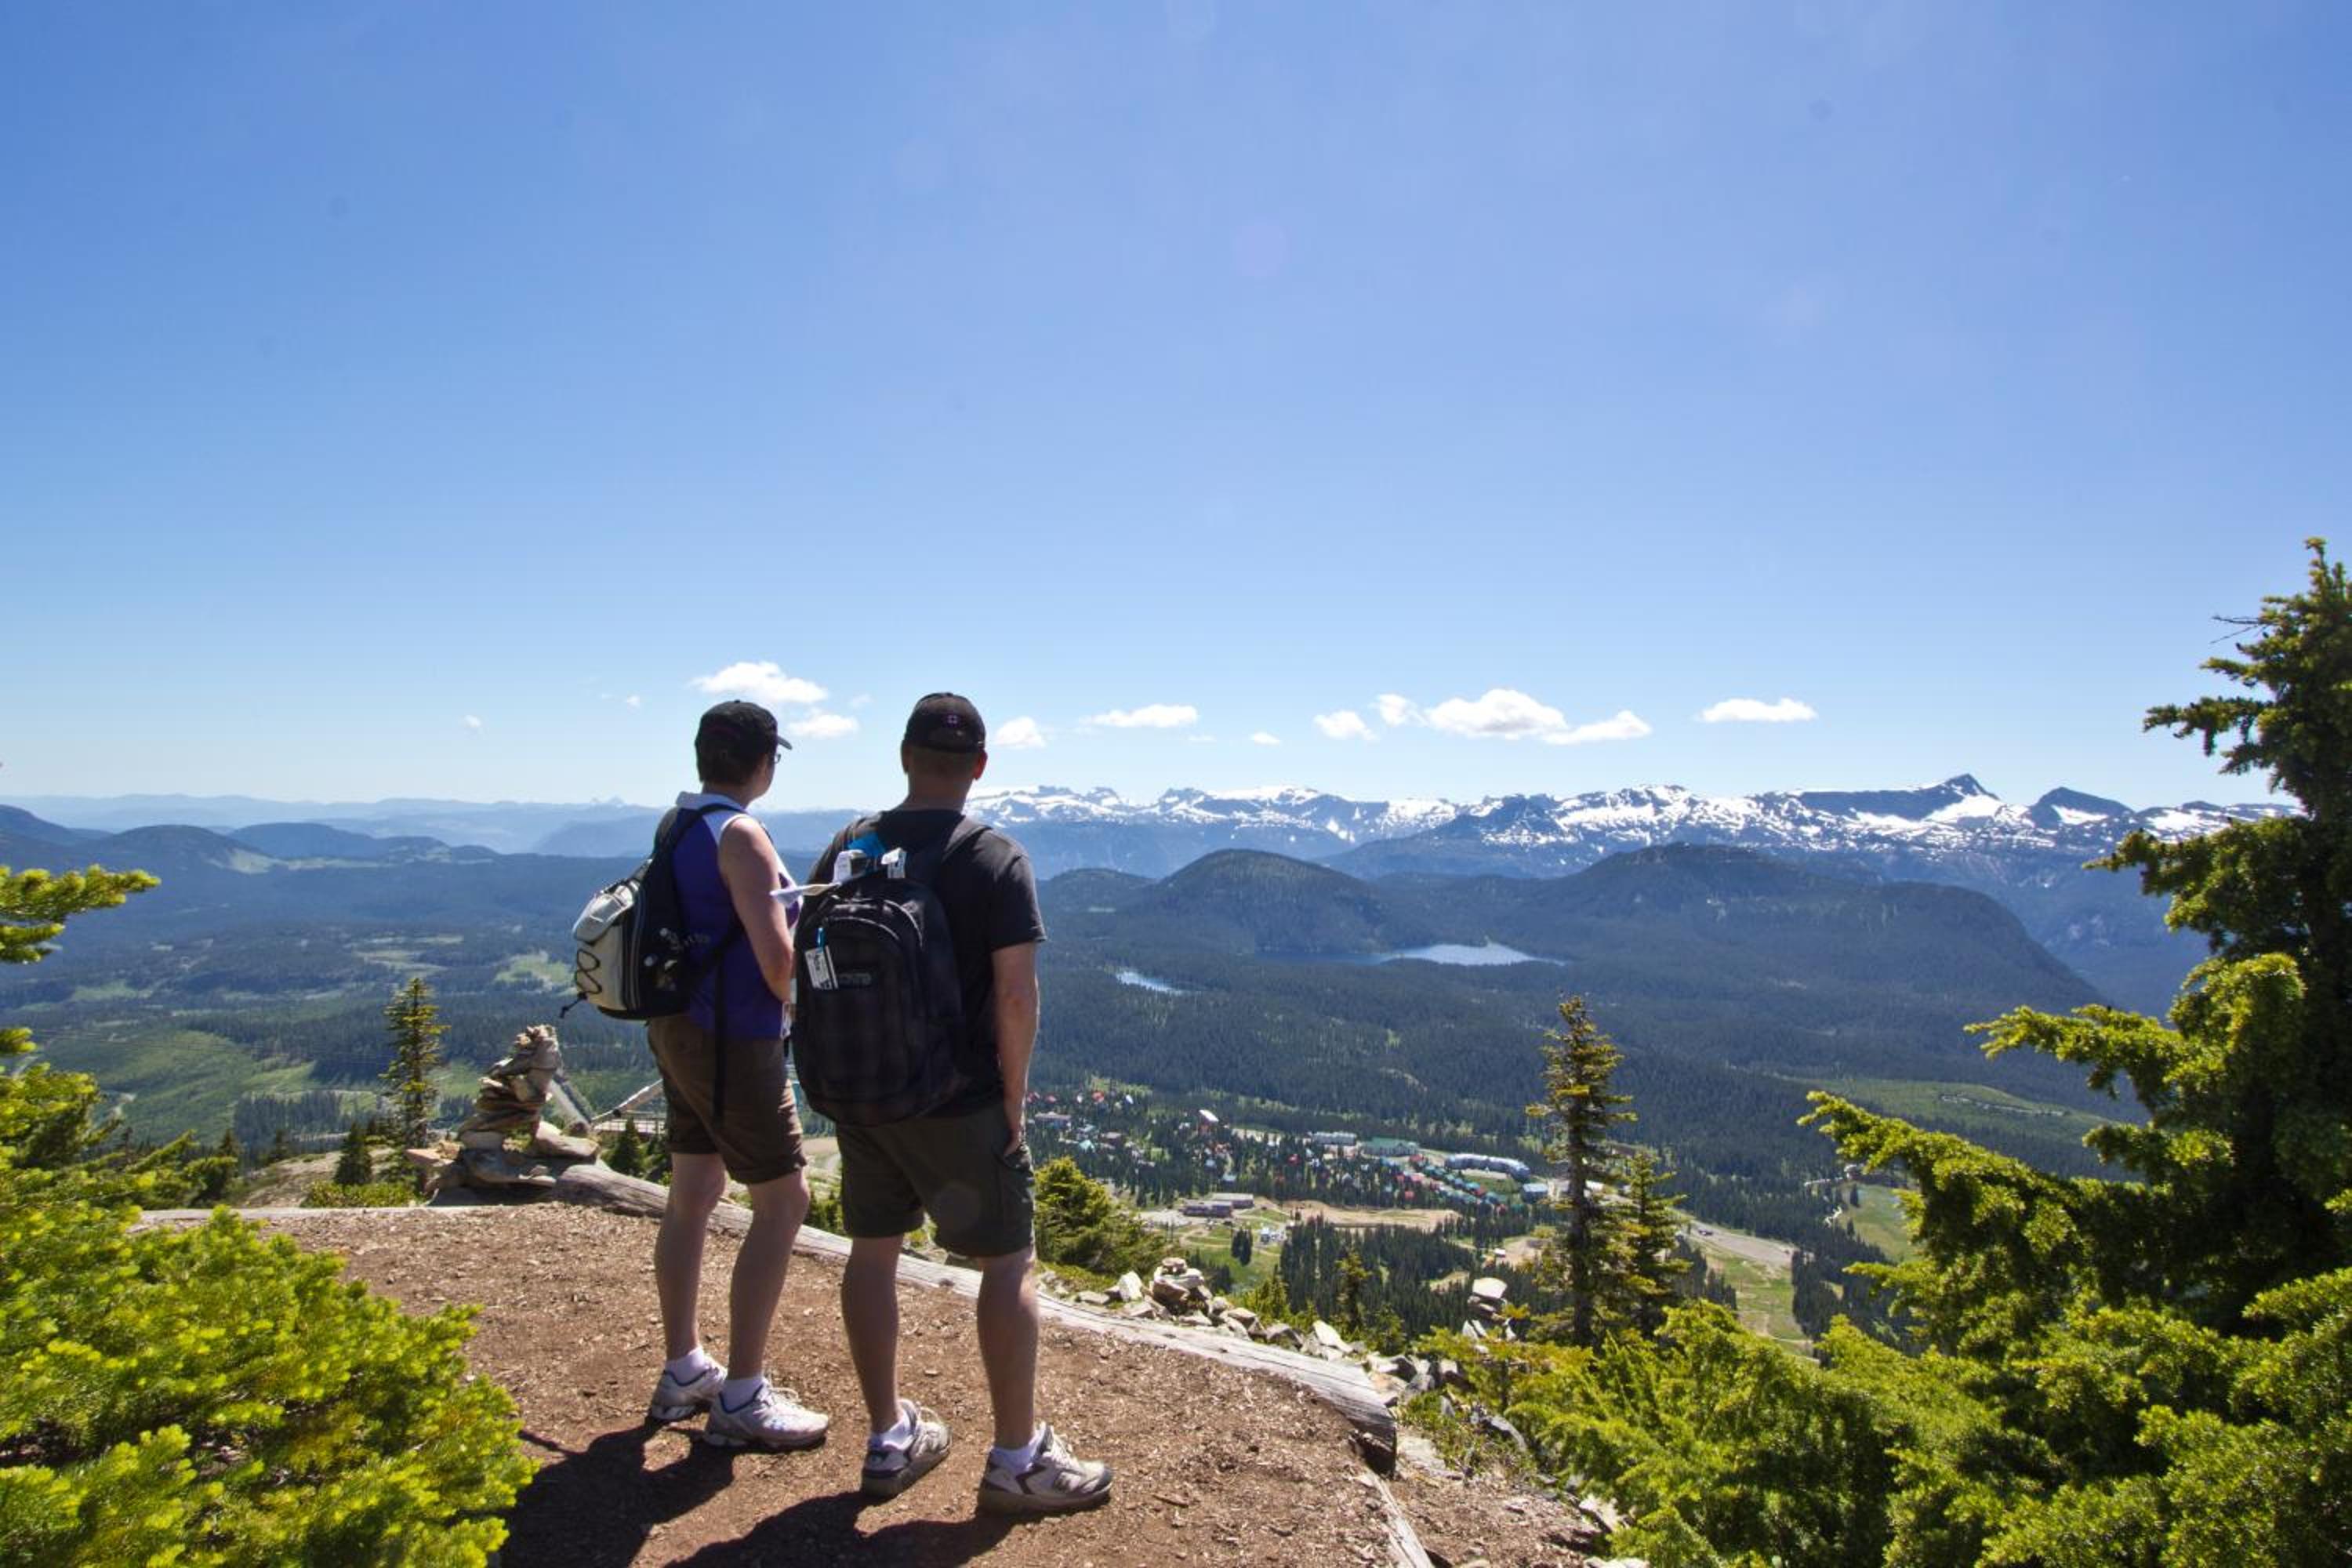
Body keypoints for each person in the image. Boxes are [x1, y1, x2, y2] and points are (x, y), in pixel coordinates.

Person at [808, 693, 1112, 1513]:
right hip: (958, 1096)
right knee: (1007, 1264)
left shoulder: (851, 844)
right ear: (979, 766)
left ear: (904, 756)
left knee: (873, 1252)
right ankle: (1016, 1458)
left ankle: (888, 1434)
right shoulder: (993, 857)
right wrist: (1014, 1101)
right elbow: (1015, 995)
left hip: (863, 1093)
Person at [641, 699, 829, 1450]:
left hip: (679, 1027)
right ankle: (743, 1394)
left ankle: (685, 1366)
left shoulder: (680, 822)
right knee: (784, 1201)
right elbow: (778, 963)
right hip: (734, 1039)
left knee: (692, 1192)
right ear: (764, 762)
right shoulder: (742, 834)